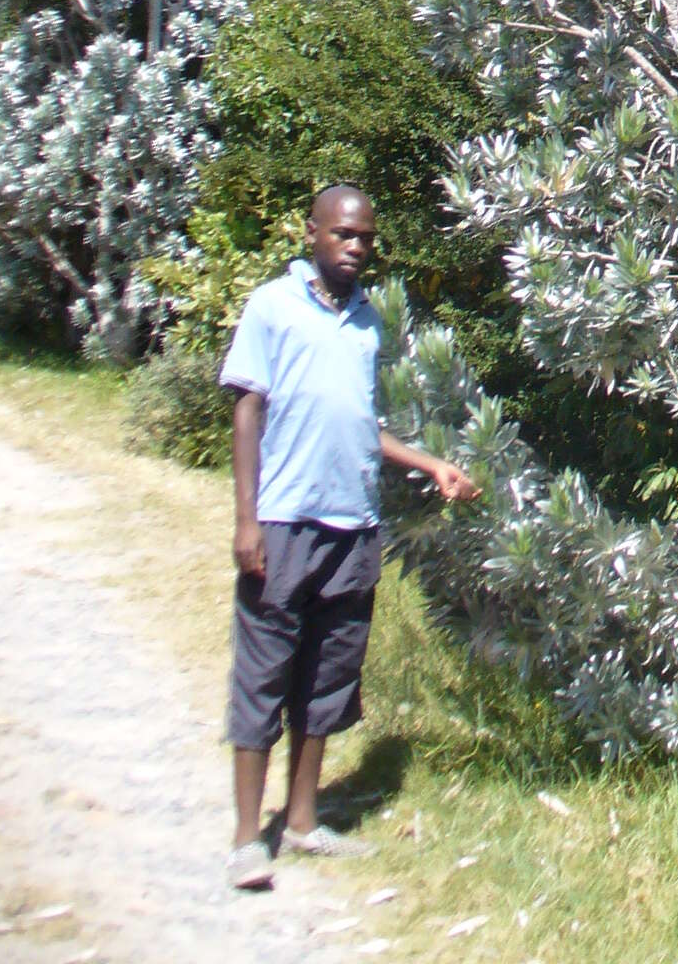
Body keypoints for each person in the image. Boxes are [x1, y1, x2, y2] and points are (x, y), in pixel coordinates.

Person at [218, 182, 477, 891]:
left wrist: (430, 464)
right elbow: (248, 410)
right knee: (264, 675)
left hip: (354, 527)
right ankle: (247, 840)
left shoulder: (367, 323)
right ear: (311, 234)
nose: (356, 248)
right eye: (343, 235)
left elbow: (363, 424)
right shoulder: (272, 307)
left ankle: (302, 824)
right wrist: (248, 520)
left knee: (326, 681)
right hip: (285, 523)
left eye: (365, 238)